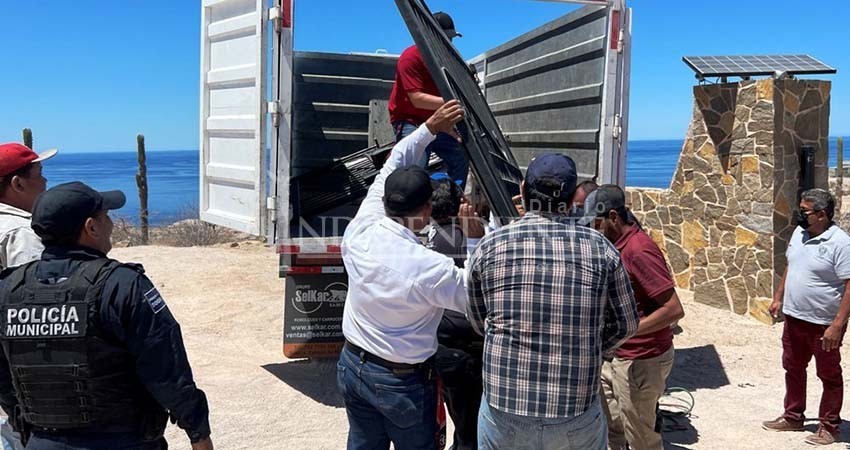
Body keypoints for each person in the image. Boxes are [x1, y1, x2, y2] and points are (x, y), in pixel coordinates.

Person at [0, 182, 213, 450]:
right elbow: (166, 369)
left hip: (43, 442)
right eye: (106, 216)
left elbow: (3, 376)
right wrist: (199, 434)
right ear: (91, 227)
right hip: (122, 441)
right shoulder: (121, 285)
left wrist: (25, 424)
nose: (111, 224)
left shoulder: (8, 289)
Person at [467, 153, 639, 450]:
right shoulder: (601, 250)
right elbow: (626, 324)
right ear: (574, 198)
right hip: (573, 410)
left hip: (505, 408)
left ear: (522, 190)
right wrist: (591, 346)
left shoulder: (489, 247)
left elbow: (478, 319)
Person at [337, 100, 482, 450]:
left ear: (386, 200)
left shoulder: (360, 229)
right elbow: (479, 297)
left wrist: (427, 128)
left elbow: (395, 162)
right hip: (401, 384)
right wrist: (475, 236)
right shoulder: (428, 268)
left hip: (352, 366)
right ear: (427, 209)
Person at [580, 185, 685, 450]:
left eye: (597, 222)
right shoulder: (614, 246)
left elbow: (673, 310)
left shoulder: (639, 250)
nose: (593, 228)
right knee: (612, 429)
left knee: (641, 440)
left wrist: (627, 330)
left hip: (641, 360)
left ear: (613, 217)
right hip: (615, 356)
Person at [763, 188, 850, 446]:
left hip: (824, 324)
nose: (799, 215)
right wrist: (779, 297)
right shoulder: (799, 233)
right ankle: (793, 416)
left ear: (821, 215)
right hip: (794, 318)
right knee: (793, 367)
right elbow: (792, 264)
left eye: (804, 211)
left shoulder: (841, 243)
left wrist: (837, 325)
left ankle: (829, 427)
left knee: (828, 374)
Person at [426, 175, 483, 450]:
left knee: (460, 414)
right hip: (473, 346)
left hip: (447, 347)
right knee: (471, 419)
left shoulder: (430, 243)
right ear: (461, 204)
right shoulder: (476, 237)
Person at [389, 11, 469, 186]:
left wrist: (448, 123)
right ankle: (412, 208)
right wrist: (456, 105)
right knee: (414, 171)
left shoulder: (446, 61)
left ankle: (450, 203)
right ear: (429, 35)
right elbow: (417, 99)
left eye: (451, 38)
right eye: (445, 37)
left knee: (460, 157)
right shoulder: (410, 57)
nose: (449, 42)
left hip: (436, 120)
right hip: (411, 121)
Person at [0, 143, 57, 270]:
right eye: (39, 174)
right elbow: (35, 287)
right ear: (18, 184)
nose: (45, 180)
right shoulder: (21, 234)